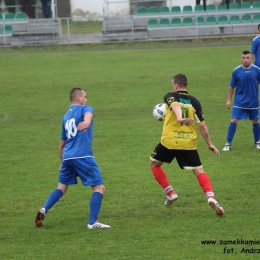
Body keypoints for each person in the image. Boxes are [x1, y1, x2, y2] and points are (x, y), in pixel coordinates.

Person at [35, 87, 111, 229]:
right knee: (99, 188)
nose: (86, 99)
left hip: (68, 157)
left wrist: (62, 161)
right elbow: (88, 115)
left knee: (61, 188)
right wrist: (87, 122)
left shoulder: (65, 117)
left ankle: (44, 209)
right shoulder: (85, 109)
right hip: (83, 155)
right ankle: (92, 222)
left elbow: (62, 144)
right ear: (78, 98)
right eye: (85, 96)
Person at [150, 74, 224, 216]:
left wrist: (179, 117)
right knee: (199, 171)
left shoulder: (169, 96)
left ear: (176, 85)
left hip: (170, 141)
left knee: (154, 165)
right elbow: (202, 125)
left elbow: (175, 105)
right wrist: (210, 144)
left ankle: (170, 193)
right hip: (188, 142)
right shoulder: (195, 102)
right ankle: (211, 197)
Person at [223, 50, 260, 151]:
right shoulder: (236, 71)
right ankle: (228, 143)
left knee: (255, 121)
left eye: (247, 58)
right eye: (243, 58)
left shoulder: (257, 70)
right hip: (239, 101)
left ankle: (257, 142)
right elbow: (231, 86)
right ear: (241, 59)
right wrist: (228, 100)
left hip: (253, 101)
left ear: (251, 58)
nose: (245, 60)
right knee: (234, 120)